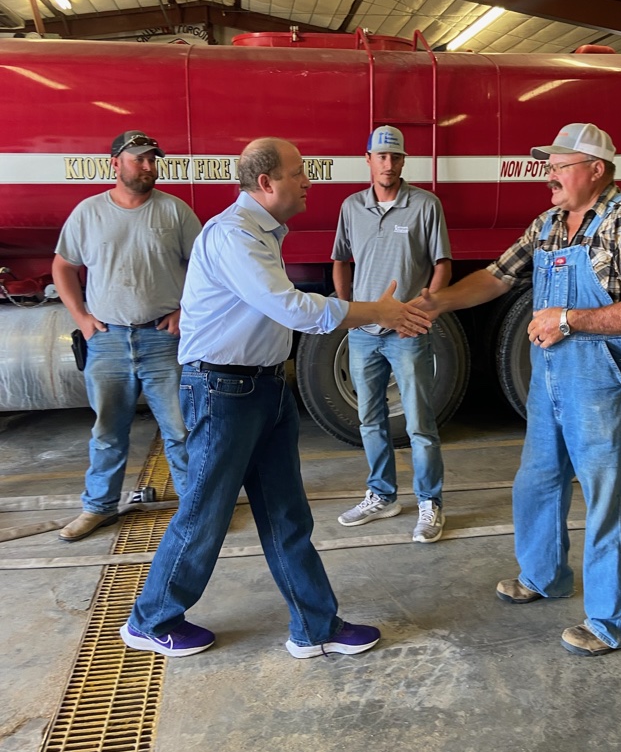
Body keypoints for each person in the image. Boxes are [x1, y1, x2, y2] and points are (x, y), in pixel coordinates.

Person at [120, 137, 432, 660]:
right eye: (299, 173)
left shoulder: (260, 233)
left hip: (262, 387)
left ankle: (314, 626)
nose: (309, 181)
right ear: (266, 183)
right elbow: (291, 308)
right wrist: (374, 312)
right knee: (204, 514)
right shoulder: (233, 235)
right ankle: (150, 619)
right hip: (223, 391)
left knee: (287, 514)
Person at [415, 122, 621, 656]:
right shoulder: (549, 223)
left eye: (558, 166)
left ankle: (613, 622)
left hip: (604, 380)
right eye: (548, 166)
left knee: (610, 498)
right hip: (552, 376)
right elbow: (497, 276)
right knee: (537, 480)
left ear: (596, 169)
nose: (548, 175)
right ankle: (544, 575)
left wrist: (570, 319)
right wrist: (436, 303)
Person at [53, 132, 201, 543]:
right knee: (107, 433)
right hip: (108, 342)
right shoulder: (88, 213)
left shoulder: (175, 212)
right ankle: (98, 508)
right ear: (115, 163)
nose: (149, 167)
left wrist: (183, 310)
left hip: (163, 340)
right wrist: (81, 317)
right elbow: (63, 266)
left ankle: (196, 513)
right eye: (140, 159)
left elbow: (206, 268)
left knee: (181, 430)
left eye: (154, 159)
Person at [332, 125, 452, 543]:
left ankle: (429, 503)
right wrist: (348, 311)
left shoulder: (425, 205)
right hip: (363, 333)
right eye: (380, 156)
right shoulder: (351, 207)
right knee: (370, 419)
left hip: (406, 333)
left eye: (395, 157)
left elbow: (441, 264)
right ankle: (382, 496)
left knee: (419, 421)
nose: (388, 163)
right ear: (367, 160)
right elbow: (341, 260)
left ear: (403, 161)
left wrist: (425, 308)